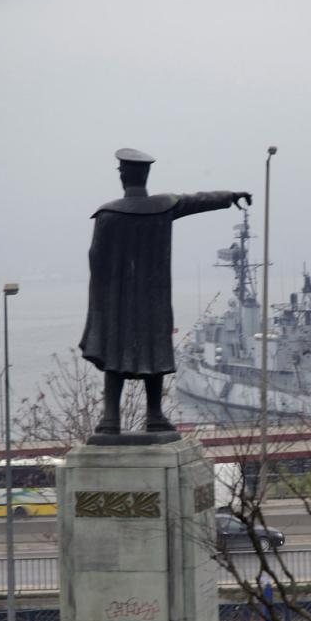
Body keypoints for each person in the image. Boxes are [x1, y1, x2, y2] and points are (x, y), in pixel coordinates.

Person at [79, 148, 251, 434]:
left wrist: (102, 303)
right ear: (146, 175)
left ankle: (110, 418)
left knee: (114, 355)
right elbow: (198, 200)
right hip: (154, 299)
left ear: (123, 175)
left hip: (118, 302)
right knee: (154, 354)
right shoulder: (163, 206)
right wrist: (230, 196)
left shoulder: (108, 214)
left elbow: (96, 260)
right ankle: (155, 415)